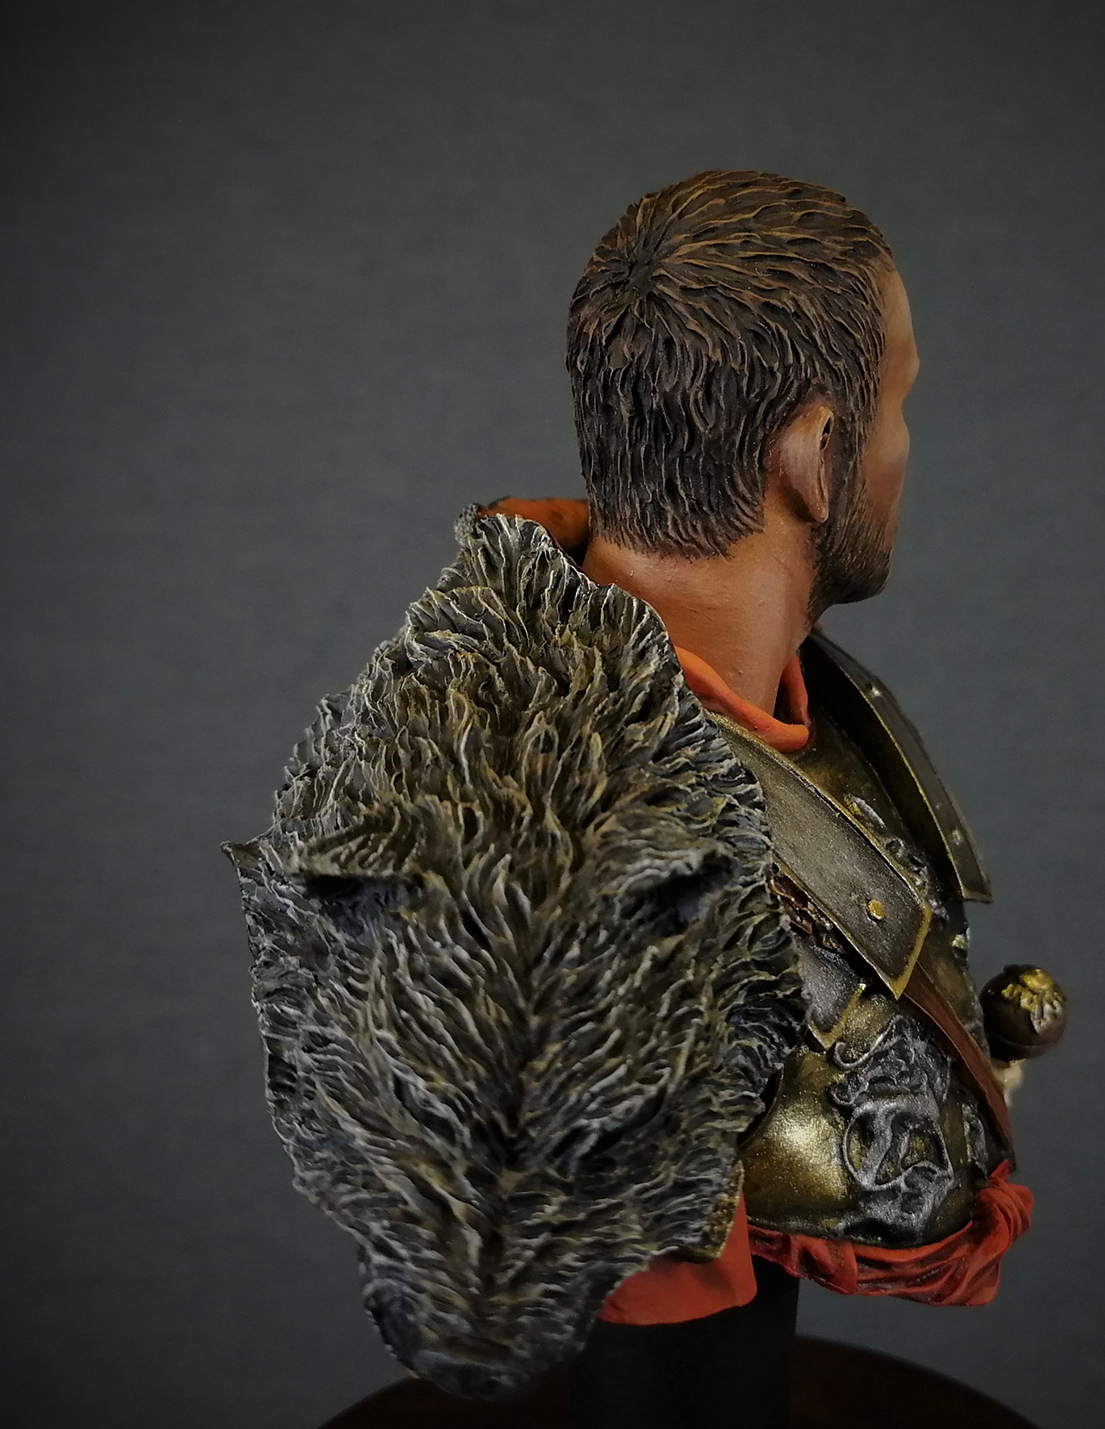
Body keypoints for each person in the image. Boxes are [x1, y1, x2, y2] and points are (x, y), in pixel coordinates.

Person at [225, 170, 1062, 1429]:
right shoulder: (547, 853)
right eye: (895, 404)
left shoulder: (786, 698)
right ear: (809, 455)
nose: (903, 448)